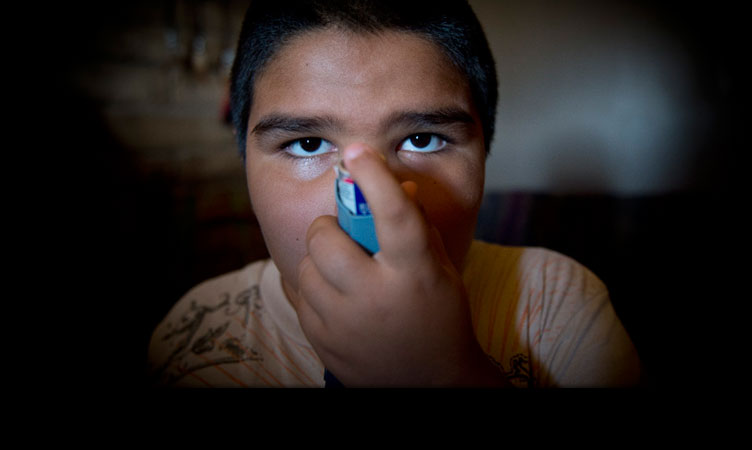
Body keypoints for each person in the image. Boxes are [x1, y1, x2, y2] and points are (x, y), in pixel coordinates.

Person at [147, 0, 641, 388]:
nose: (364, 199)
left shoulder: (559, 307)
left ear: (486, 150)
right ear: (244, 162)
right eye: (307, 144)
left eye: (421, 140)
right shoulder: (194, 337)